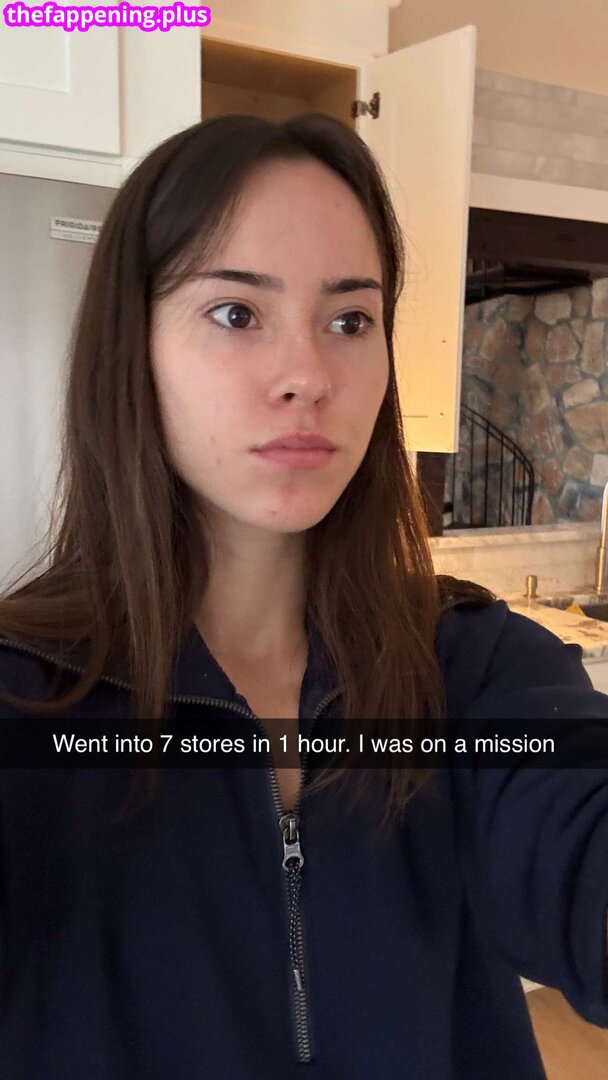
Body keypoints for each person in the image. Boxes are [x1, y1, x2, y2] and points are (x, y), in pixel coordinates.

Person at [0, 112, 608, 1080]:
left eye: (349, 321)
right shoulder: (23, 696)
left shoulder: (474, 667)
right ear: (134, 349)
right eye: (236, 313)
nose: (308, 377)